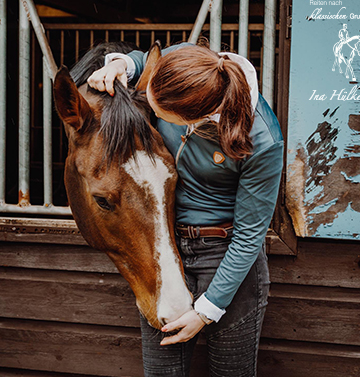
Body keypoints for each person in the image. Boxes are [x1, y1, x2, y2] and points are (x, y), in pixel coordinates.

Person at [89, 43, 284, 376]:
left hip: (225, 256)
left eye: (160, 113)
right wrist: (121, 65)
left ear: (193, 120)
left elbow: (250, 237)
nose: (151, 109)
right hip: (167, 249)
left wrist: (206, 311)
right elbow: (144, 61)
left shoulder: (263, 140)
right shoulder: (186, 60)